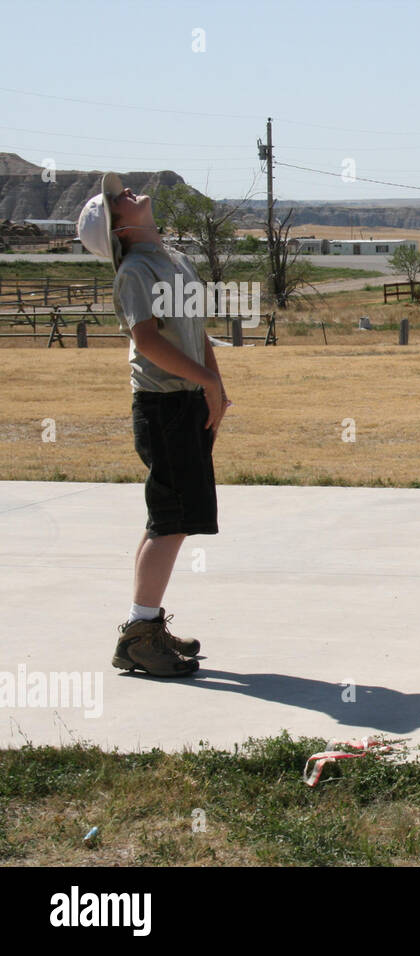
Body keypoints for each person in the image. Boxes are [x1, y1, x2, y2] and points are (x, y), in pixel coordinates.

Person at [76, 172, 230, 678]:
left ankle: (143, 626)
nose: (127, 193)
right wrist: (204, 381)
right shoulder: (137, 270)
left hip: (186, 401)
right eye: (117, 199)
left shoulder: (177, 261)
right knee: (174, 520)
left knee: (168, 517)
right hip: (164, 407)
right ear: (120, 230)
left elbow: (194, 332)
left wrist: (215, 385)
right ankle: (140, 635)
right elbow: (148, 342)